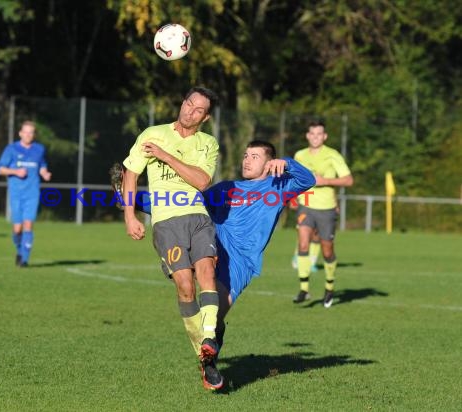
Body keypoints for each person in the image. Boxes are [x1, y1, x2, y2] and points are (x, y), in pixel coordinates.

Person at [111, 140, 315, 388]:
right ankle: (209, 366)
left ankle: (210, 355)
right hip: (211, 246)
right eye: (246, 155)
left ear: (269, 162)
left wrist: (289, 163)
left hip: (241, 261)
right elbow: (185, 204)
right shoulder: (226, 189)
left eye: (255, 156)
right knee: (201, 304)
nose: (247, 160)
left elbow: (308, 180)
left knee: (215, 317)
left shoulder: (279, 186)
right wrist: (134, 202)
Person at [121, 86, 222, 390]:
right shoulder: (153, 133)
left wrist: (164, 156)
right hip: (165, 223)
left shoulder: (208, 143)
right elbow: (130, 174)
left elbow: (202, 181)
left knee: (207, 271)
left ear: (205, 118)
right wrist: (130, 215)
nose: (190, 111)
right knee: (185, 286)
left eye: (198, 109)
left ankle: (209, 336)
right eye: (189, 103)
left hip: (197, 217)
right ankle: (205, 359)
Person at [292, 121, 353, 308]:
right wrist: (291, 196)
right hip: (306, 204)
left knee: (327, 250)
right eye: (313, 134)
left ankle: (329, 286)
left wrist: (324, 180)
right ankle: (304, 289)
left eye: (320, 134)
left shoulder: (332, 155)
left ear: (324, 136)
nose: (316, 137)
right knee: (303, 242)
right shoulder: (300, 155)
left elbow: (348, 180)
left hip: (326, 208)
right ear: (307, 136)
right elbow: (293, 178)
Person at [0, 120, 51, 267]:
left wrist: (44, 173)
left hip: (32, 193)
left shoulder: (39, 149)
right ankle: (20, 250)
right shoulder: (11, 149)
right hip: (16, 194)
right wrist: (15, 172)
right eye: (25, 132)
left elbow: (42, 164)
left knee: (28, 225)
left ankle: (24, 260)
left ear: (34, 135)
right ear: (20, 133)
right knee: (17, 229)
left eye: (31, 132)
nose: (28, 135)